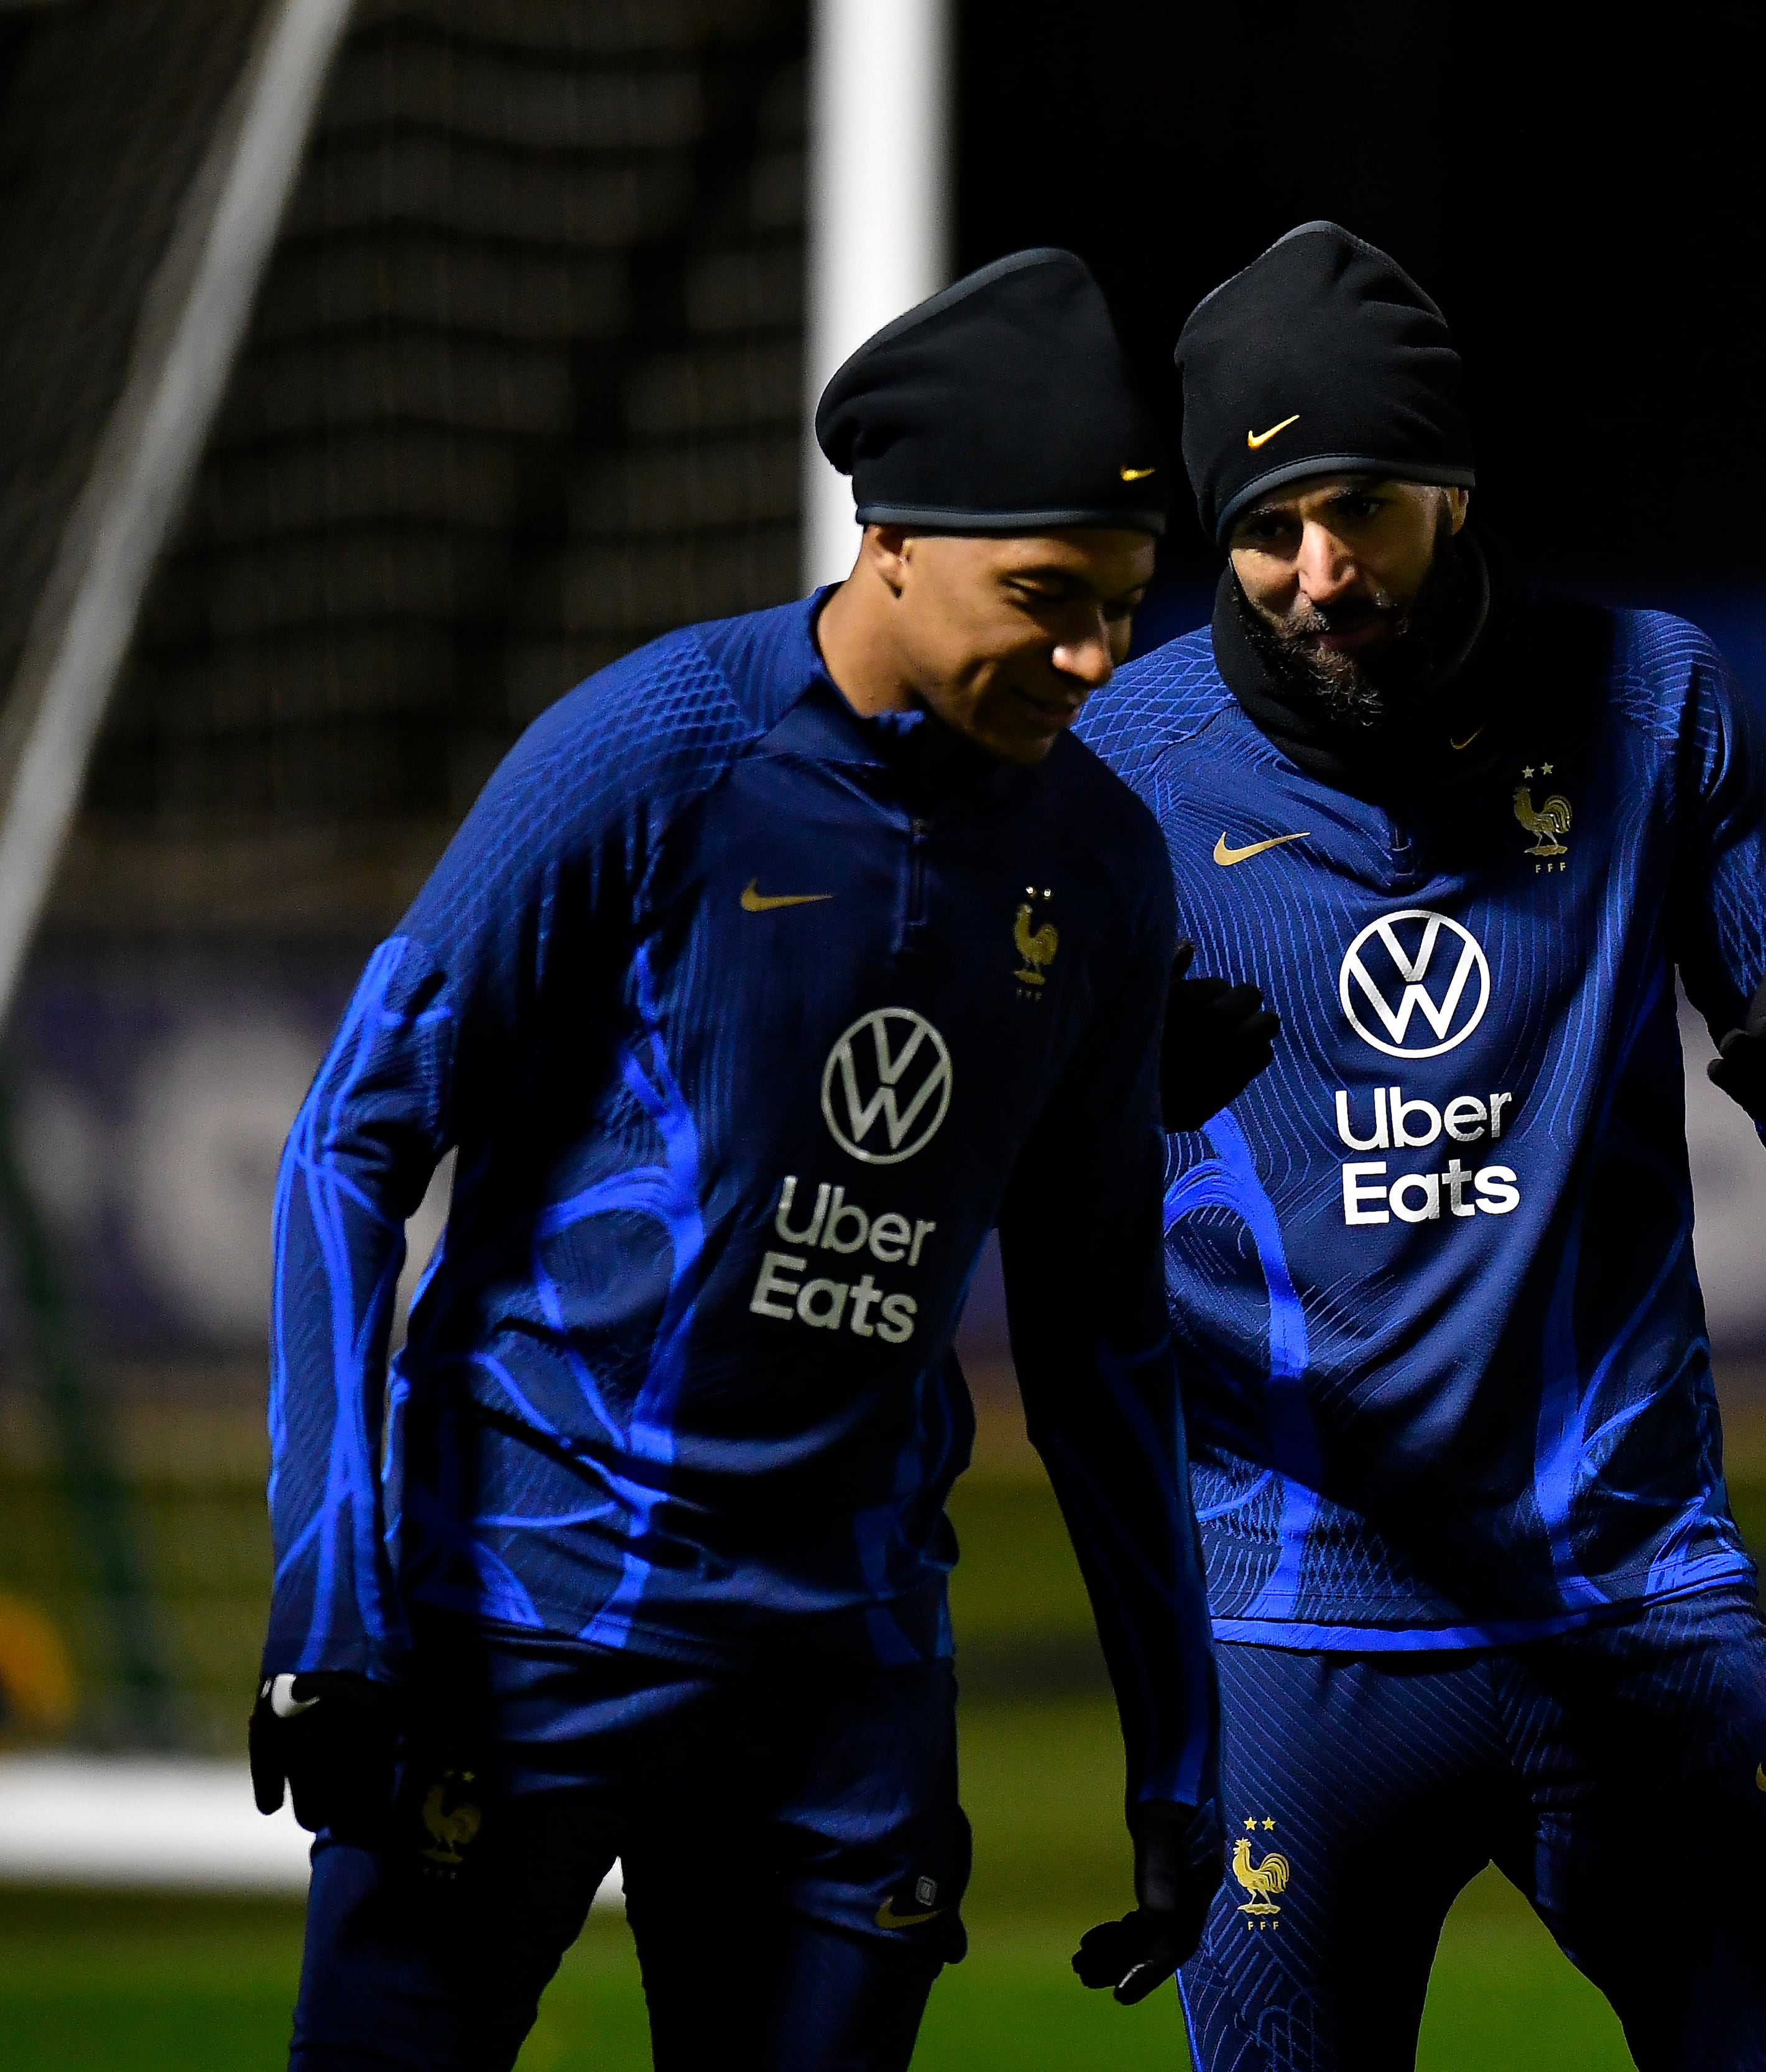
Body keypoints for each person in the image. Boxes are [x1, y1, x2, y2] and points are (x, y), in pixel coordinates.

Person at [253, 250, 1225, 2070]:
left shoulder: (1100, 864)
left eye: (1121, 608)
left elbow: (1102, 1334)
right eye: (1046, 600)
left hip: (840, 1681)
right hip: (517, 1626)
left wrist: (1176, 1745)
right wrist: (331, 1606)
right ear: (894, 545)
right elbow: (345, 1150)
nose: (1095, 660)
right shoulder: (650, 756)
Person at [1071, 220, 1766, 2071]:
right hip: (1294, 1624)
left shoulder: (1652, 696)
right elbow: (1025, 1194)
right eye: (1267, 529)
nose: (1318, 569)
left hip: (1634, 1589)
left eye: (1359, 507)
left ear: (1456, 485)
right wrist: (1104, 1100)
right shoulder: (1124, 760)